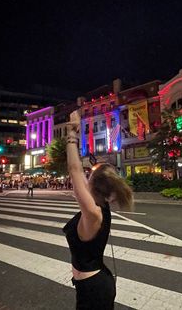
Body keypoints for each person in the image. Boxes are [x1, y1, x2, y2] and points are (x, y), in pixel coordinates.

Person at [63, 110, 133, 310]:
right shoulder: (99, 205)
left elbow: (74, 170)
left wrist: (73, 133)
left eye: (90, 175)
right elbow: (78, 174)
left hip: (94, 290)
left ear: (94, 184)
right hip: (92, 284)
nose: (86, 176)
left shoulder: (93, 213)